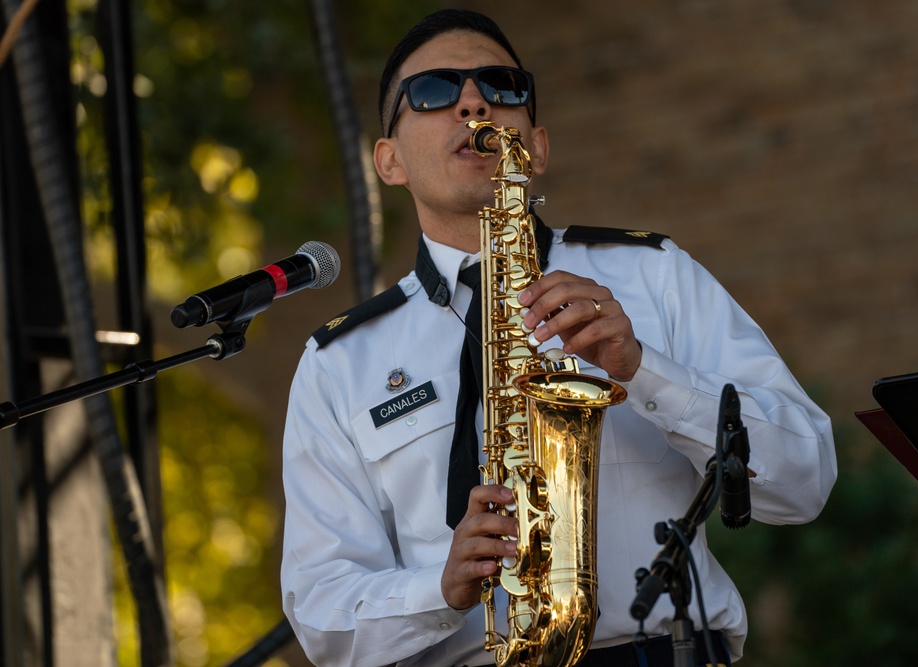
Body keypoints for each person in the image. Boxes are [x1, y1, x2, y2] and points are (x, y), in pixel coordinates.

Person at [280, 9, 836, 667]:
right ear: (389, 161)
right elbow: (321, 613)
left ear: (536, 148)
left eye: (501, 85)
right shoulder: (338, 362)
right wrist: (439, 586)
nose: (472, 101)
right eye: (433, 91)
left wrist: (645, 369)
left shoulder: (651, 274)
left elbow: (806, 479)